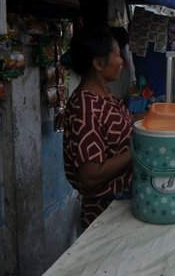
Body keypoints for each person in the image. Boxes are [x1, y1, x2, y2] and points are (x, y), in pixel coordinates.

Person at [63, 25, 134, 230]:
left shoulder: (105, 96)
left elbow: (120, 126)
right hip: (104, 215)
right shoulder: (84, 107)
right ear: (98, 63)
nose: (122, 61)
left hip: (124, 205)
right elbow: (91, 175)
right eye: (118, 55)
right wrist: (137, 148)